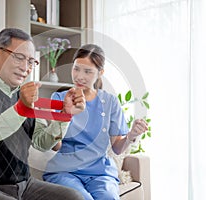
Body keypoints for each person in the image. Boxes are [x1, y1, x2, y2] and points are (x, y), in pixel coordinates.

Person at [0, 28, 85, 200]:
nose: (26, 68)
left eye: (31, 61)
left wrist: (65, 115)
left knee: (74, 197)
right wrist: (21, 109)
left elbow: (41, 143)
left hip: (24, 185)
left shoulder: (26, 95)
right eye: (19, 57)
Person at [40, 44, 148, 200]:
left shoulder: (110, 102)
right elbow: (57, 146)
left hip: (100, 173)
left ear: (100, 73)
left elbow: (117, 148)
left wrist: (131, 135)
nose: (79, 76)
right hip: (65, 171)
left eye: (87, 71)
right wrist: (65, 114)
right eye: (76, 69)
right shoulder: (58, 99)